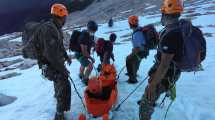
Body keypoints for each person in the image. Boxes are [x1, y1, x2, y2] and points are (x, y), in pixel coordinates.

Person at [139, 0, 184, 119]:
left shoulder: (171, 36)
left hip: (167, 73)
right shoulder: (172, 29)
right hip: (168, 71)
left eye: (163, 13)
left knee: (146, 100)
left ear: (166, 14)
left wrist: (153, 85)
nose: (161, 16)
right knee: (150, 88)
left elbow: (164, 65)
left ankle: (146, 109)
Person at [35, 3, 71, 120]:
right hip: (49, 65)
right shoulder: (49, 30)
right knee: (64, 84)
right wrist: (63, 69)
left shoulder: (56, 28)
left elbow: (59, 46)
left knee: (59, 82)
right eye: (64, 16)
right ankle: (59, 115)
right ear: (60, 16)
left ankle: (57, 97)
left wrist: (66, 56)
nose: (65, 19)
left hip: (53, 64)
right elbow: (51, 55)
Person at [126, 15, 149, 84]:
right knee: (136, 61)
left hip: (141, 52)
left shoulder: (137, 33)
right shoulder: (139, 29)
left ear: (130, 24)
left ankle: (132, 79)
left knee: (128, 60)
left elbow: (140, 47)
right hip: (144, 52)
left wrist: (134, 51)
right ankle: (134, 73)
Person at [75, 20, 98, 85]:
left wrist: (94, 46)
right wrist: (91, 58)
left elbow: (90, 42)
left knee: (83, 64)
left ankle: (80, 74)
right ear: (90, 29)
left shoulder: (87, 34)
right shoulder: (83, 37)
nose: (94, 32)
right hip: (79, 54)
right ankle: (85, 79)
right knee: (90, 65)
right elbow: (84, 52)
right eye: (93, 31)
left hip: (81, 53)